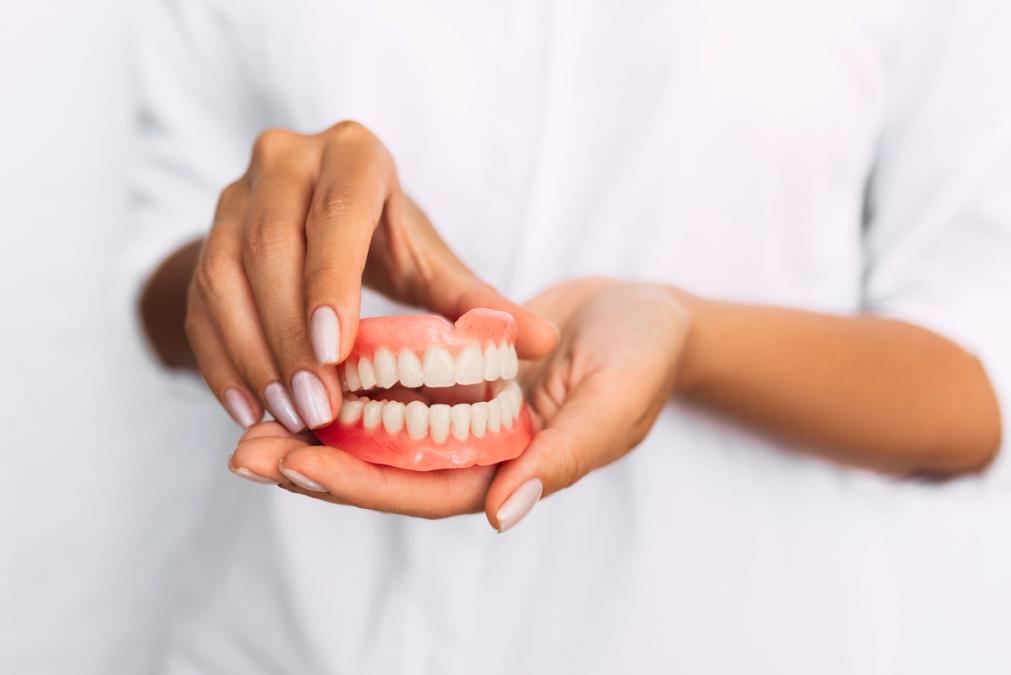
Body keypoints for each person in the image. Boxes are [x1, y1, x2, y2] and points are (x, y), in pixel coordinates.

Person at [136, 0, 1011, 672]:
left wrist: (688, 338)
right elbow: (157, 280)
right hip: (281, 635)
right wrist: (252, 258)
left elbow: (974, 390)